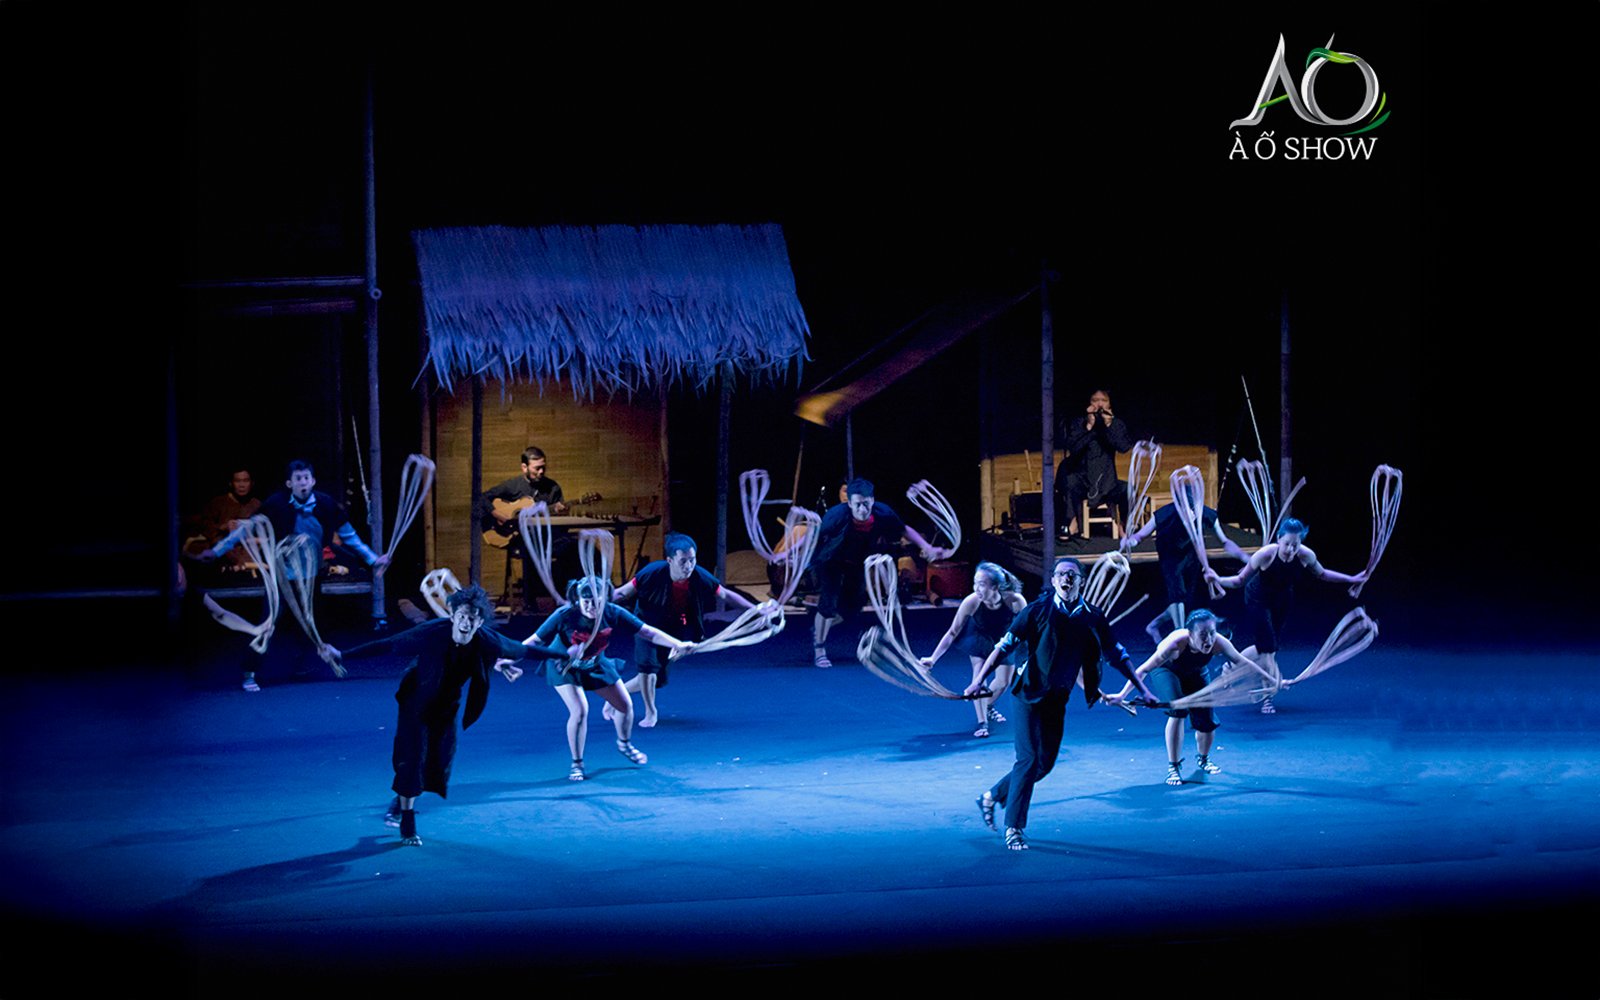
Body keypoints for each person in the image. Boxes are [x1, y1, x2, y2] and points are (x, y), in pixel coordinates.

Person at [321, 585, 570, 846]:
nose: (465, 621)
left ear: (480, 621)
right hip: (415, 702)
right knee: (412, 756)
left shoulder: (487, 640)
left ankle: (402, 796)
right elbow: (388, 644)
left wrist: (562, 655)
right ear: (452, 616)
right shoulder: (431, 633)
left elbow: (523, 650)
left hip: (447, 706)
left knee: (437, 761)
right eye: (461, 615)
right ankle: (407, 821)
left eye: (472, 617)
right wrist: (342, 654)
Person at [965, 557, 1159, 850]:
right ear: (1054, 581)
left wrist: (1144, 689)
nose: (1066, 579)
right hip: (1027, 693)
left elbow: (1117, 654)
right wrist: (978, 680)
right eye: (1060, 575)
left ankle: (991, 796)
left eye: (1072, 575)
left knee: (1044, 764)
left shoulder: (1092, 616)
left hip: (1057, 696)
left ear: (1081, 581)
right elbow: (1003, 646)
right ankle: (1013, 828)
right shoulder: (1036, 611)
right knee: (1028, 759)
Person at [198, 459, 389, 691]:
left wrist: (372, 559)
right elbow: (247, 529)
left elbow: (350, 536)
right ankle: (249, 672)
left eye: (306, 478)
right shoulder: (276, 504)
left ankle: (300, 665)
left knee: (310, 623)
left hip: (311, 574)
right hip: (282, 575)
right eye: (298, 479)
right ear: (289, 483)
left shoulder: (326, 504)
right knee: (269, 623)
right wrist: (217, 551)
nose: (303, 483)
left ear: (313, 481)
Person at [521, 576, 694, 780]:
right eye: (587, 602)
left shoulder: (612, 612)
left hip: (594, 663)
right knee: (580, 710)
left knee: (625, 705)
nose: (592, 606)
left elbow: (647, 632)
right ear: (577, 599)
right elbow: (532, 641)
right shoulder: (565, 615)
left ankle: (624, 743)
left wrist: (676, 644)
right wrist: (508, 657)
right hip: (564, 666)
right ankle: (577, 763)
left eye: (597, 601)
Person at [1204, 518, 1367, 714]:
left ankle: (1230, 667)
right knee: (1269, 651)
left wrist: (1351, 579)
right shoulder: (1265, 555)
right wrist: (1217, 579)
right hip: (1258, 599)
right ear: (1279, 539)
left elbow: (1322, 574)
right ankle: (1267, 697)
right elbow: (1239, 581)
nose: (1290, 549)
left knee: (1266, 648)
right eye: (1287, 544)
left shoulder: (1306, 556)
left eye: (1295, 545)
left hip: (1281, 602)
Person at [609, 533, 770, 727]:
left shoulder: (699, 576)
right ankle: (651, 713)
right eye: (683, 561)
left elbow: (725, 594)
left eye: (692, 560)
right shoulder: (652, 572)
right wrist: (599, 602)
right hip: (646, 626)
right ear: (669, 560)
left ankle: (614, 696)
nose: (688, 566)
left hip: (673, 629)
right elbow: (622, 592)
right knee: (648, 669)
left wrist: (756, 609)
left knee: (657, 678)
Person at [810, 477, 953, 668]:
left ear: (873, 500)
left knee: (853, 608)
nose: (862, 509)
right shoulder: (836, 516)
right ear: (849, 503)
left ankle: (820, 627)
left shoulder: (882, 513)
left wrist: (927, 546)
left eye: (866, 504)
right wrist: (789, 554)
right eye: (858, 504)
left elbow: (903, 529)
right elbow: (813, 537)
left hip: (857, 563)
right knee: (828, 603)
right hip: (831, 561)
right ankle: (819, 648)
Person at [1111, 609, 1260, 786]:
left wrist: (1272, 679)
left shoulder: (1220, 642)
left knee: (1206, 719)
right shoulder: (1175, 644)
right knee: (1178, 711)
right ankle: (1173, 767)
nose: (1209, 640)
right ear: (1190, 634)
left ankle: (1203, 759)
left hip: (1196, 672)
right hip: (1167, 670)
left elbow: (1244, 663)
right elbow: (1142, 670)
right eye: (1203, 635)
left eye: (1212, 633)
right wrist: (1122, 695)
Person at [919, 562, 1028, 738]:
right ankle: (982, 721)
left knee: (1003, 682)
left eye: (982, 584)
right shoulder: (971, 602)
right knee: (979, 676)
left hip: (1003, 639)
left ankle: (988, 705)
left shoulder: (1015, 600)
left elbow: (1029, 628)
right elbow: (952, 632)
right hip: (979, 636)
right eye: (975, 583)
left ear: (995, 587)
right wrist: (933, 658)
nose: (976, 588)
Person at [1120, 501, 1251, 643]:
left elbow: (1224, 541)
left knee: (1185, 599)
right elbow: (1140, 535)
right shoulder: (1166, 513)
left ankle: (1154, 625)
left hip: (1191, 556)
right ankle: (1182, 638)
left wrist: (1245, 557)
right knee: (1177, 595)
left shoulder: (1205, 513)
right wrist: (1130, 542)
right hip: (1170, 556)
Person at [477, 446, 572, 607]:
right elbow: (482, 498)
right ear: (524, 467)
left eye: (543, 467)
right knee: (529, 546)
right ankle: (530, 601)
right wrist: (498, 514)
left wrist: (561, 512)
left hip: (546, 536)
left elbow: (558, 519)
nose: (541, 472)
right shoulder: (513, 486)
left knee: (570, 545)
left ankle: (565, 597)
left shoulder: (552, 488)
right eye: (537, 468)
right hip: (516, 537)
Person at [1056, 389, 1133, 537]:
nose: (1099, 404)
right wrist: (1089, 427)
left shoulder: (1116, 424)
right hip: (1083, 479)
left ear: (1109, 404)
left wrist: (1109, 425)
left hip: (1107, 482)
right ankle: (1072, 522)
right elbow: (1073, 447)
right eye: (1095, 400)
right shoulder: (1080, 423)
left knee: (1128, 489)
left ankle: (1124, 524)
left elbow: (1123, 447)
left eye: (1103, 400)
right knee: (1070, 482)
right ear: (1089, 404)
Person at [193, 467, 261, 569]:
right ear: (231, 483)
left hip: (249, 545)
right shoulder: (218, 503)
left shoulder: (257, 504)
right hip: (223, 546)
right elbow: (204, 524)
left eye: (246, 481)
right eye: (237, 481)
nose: (242, 485)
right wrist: (224, 527)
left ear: (252, 483)